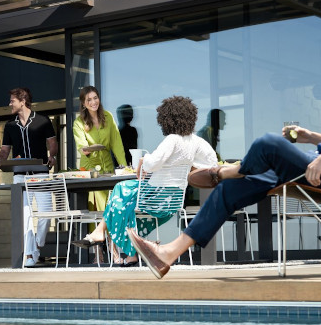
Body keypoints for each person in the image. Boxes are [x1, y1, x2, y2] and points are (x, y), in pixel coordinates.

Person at [127, 29, 321, 279]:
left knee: (267, 143)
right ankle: (168, 253)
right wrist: (312, 137)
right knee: (230, 190)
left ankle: (230, 169)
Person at [72, 96, 217, 266]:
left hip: (156, 197)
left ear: (167, 119)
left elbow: (152, 163)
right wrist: (189, 168)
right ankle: (121, 248)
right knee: (126, 202)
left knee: (120, 190)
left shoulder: (172, 139)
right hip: (173, 200)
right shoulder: (196, 142)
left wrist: (143, 160)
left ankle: (108, 237)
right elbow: (212, 162)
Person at [0, 87, 58, 267]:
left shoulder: (43, 121)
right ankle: (29, 255)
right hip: (20, 177)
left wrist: (52, 156)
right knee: (26, 216)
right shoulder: (10, 125)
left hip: (41, 174)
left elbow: (53, 143)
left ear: (22, 101)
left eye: (12, 101)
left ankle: (38, 243)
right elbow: (5, 150)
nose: (9, 104)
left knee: (46, 214)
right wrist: (0, 159)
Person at [73, 86, 128, 212]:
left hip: (108, 167)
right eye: (89, 100)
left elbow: (116, 143)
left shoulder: (108, 116)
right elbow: (82, 147)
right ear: (83, 103)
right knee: (95, 209)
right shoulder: (78, 122)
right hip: (89, 169)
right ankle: (95, 232)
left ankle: (110, 232)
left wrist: (124, 167)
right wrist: (87, 149)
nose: (93, 102)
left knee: (111, 206)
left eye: (95, 98)